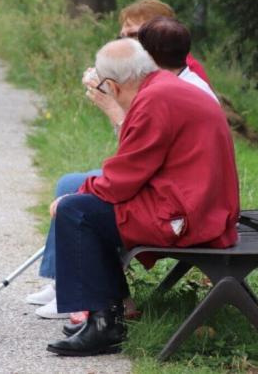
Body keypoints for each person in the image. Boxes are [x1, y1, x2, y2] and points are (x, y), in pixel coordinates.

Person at [46, 38, 239, 356]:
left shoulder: (153, 101)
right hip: (204, 207)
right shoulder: (164, 87)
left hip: (189, 217)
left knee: (76, 211)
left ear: (112, 86)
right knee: (88, 208)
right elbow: (134, 171)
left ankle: (104, 326)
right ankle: (107, 315)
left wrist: (73, 196)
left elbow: (123, 178)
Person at [27, 0, 214, 319]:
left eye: (134, 35)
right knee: (72, 187)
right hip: (177, 186)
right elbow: (140, 153)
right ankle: (68, 283)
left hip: (183, 201)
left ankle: (100, 304)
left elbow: (136, 154)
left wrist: (113, 105)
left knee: (77, 203)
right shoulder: (165, 81)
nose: (127, 42)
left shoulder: (170, 89)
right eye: (124, 34)